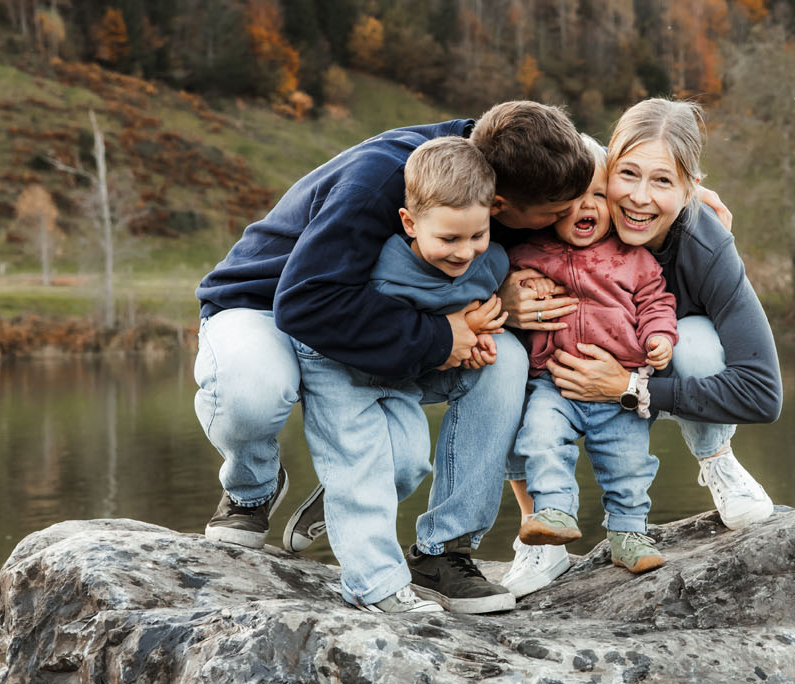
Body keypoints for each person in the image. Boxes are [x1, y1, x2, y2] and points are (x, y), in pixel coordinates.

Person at [192, 101, 594, 615]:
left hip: (380, 322)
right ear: (500, 204)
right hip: (268, 305)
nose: (566, 219)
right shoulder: (379, 182)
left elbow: (613, 169)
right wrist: (441, 338)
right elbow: (308, 303)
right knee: (254, 394)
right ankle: (253, 488)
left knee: (504, 361)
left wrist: (497, 302)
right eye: (554, 215)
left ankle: (443, 553)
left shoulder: (530, 162)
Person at [499, 98, 782, 597]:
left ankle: (717, 459)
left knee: (695, 341)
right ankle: (538, 531)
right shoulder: (558, 213)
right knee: (500, 360)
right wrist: (502, 290)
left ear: (690, 189)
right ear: (604, 169)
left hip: (646, 375)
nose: (639, 198)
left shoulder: (704, 243)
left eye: (663, 182)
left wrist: (629, 387)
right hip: (555, 376)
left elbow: (762, 394)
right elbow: (471, 223)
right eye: (627, 174)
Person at [297, 137, 508, 613]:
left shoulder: (489, 259)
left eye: (477, 235)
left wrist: (480, 331)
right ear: (410, 224)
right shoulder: (382, 261)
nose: (465, 252)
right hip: (336, 366)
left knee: (410, 463)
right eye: (449, 240)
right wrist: (447, 335)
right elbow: (343, 312)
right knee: (362, 470)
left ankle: (342, 493)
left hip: (398, 375)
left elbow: (474, 302)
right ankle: (374, 586)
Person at [506, 142, 678, 580]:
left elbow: (657, 301)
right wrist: (517, 282)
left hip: (619, 387)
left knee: (629, 464)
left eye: (599, 195)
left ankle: (629, 534)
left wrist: (659, 336)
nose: (587, 206)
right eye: (575, 197)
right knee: (540, 438)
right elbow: (500, 274)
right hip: (555, 382)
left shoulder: (633, 258)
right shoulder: (531, 252)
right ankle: (554, 512)